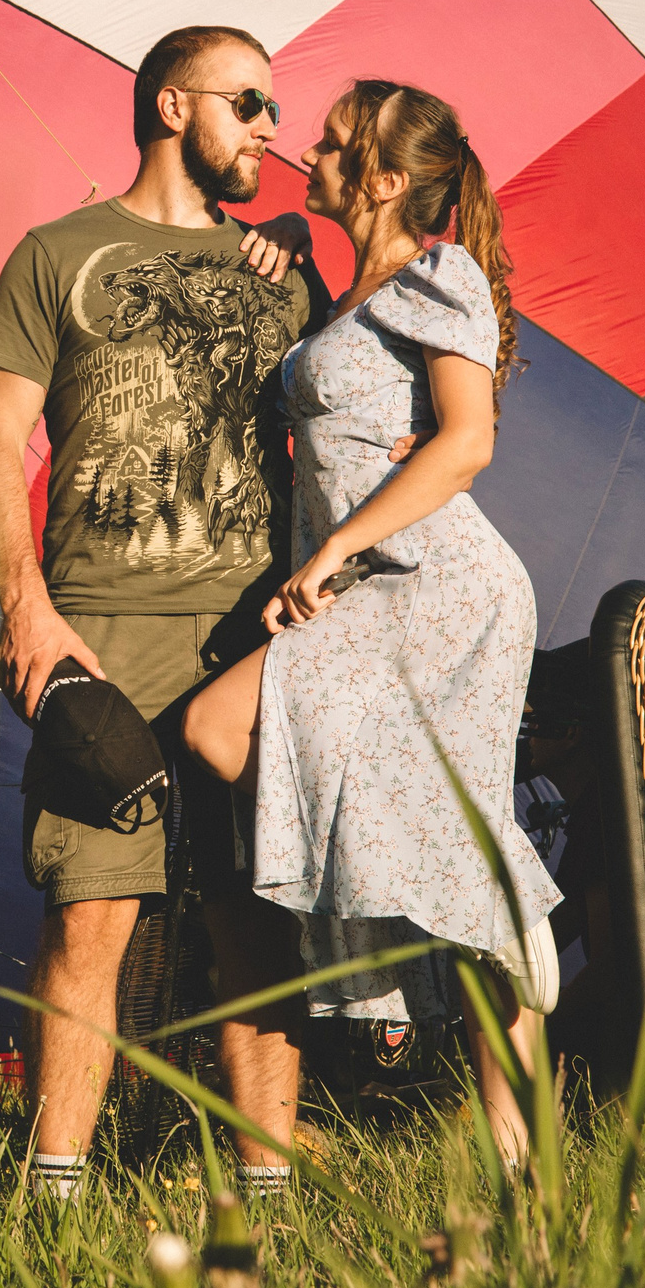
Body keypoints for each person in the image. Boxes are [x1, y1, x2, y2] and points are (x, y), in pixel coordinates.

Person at [0, 24, 322, 1201]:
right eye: (250, 102)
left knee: (254, 921)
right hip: (98, 631)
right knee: (90, 915)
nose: (274, 126)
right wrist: (25, 608)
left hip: (250, 640)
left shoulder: (281, 272)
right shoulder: (56, 253)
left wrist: (303, 247)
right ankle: (53, 1191)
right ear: (174, 107)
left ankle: (263, 1203)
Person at [182, 78, 562, 1162]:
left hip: (439, 587)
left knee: (225, 730)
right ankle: (449, 937)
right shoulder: (345, 295)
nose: (311, 148)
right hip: (365, 586)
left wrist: (341, 547)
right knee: (236, 741)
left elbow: (467, 441)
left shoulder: (440, 279)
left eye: (338, 145)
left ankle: (515, 1145)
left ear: (388, 181)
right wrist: (284, 247)